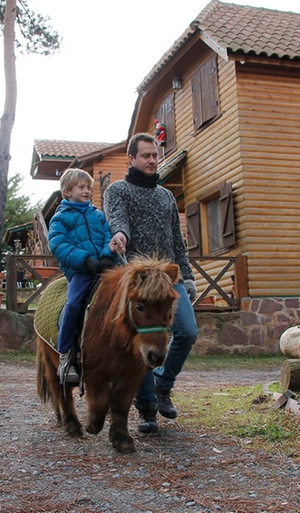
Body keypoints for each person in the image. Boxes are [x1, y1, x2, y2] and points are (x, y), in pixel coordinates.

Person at [104, 132, 198, 434]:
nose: (152, 160)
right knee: (142, 340)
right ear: (131, 159)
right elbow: (118, 220)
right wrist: (119, 235)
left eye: (155, 155)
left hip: (169, 278)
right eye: (145, 155)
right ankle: (146, 409)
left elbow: (177, 242)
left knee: (187, 331)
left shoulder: (166, 195)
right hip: (139, 278)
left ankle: (163, 387)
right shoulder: (117, 190)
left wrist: (189, 276)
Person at [48, 168, 117, 386]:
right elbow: (59, 245)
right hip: (81, 271)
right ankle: (66, 354)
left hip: (105, 269)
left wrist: (107, 256)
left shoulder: (98, 215)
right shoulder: (60, 219)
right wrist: (86, 260)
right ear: (67, 191)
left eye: (89, 187)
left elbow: (108, 235)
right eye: (81, 187)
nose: (87, 191)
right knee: (75, 304)